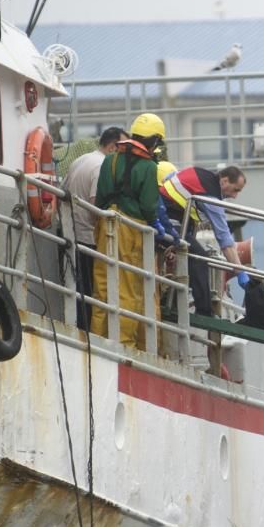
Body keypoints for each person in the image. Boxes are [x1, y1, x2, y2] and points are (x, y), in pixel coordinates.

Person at [91, 112, 165, 350]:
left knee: (103, 285)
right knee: (129, 290)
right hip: (132, 230)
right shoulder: (148, 167)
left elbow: (100, 196)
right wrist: (157, 225)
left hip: (106, 224)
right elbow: (149, 206)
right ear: (153, 141)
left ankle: (98, 337)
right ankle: (125, 345)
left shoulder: (110, 160)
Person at [159, 164, 250, 316]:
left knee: (193, 253)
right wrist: (240, 272)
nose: (234, 196)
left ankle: (179, 300)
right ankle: (204, 311)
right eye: (235, 190)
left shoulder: (200, 173)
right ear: (225, 181)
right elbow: (225, 240)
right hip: (167, 223)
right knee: (199, 258)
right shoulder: (210, 195)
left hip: (164, 217)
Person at [62, 126, 129, 330]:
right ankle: (87, 334)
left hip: (70, 233)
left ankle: (77, 328)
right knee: (89, 293)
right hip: (88, 238)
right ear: (112, 147)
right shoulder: (102, 166)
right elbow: (94, 203)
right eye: (122, 150)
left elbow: (62, 192)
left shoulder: (80, 160)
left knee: (74, 289)